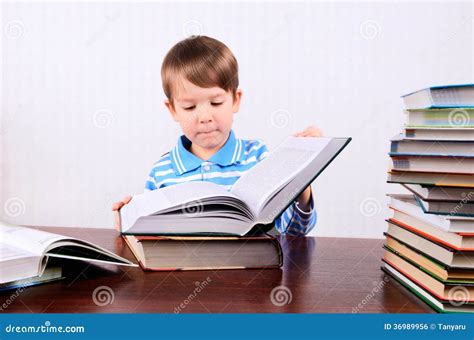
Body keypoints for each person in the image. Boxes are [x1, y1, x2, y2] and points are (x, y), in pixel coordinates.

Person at [112, 36, 322, 236]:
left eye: (216, 103)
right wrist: (128, 221)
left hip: (251, 269)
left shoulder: (259, 158)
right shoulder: (162, 172)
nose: (205, 117)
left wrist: (301, 186)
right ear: (173, 109)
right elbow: (148, 239)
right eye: (190, 106)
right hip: (184, 271)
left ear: (235, 100)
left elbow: (294, 232)